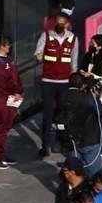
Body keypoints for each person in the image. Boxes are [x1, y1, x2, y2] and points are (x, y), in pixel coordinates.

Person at [35, 12, 79, 157]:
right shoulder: (46, 36)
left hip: (64, 82)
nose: (60, 26)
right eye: (57, 23)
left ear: (67, 24)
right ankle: (45, 145)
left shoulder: (73, 38)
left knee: (63, 114)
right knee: (47, 114)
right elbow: (38, 54)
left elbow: (74, 61)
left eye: (62, 23)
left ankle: (63, 142)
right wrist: (40, 57)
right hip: (48, 81)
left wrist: (74, 78)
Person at [0, 35, 23, 171]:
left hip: (7, 98)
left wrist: (18, 91)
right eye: (7, 45)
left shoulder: (6, 61)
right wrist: (15, 91)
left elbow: (14, 77)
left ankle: (1, 154)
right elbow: (4, 81)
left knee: (4, 128)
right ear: (1, 46)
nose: (9, 48)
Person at [55, 73, 102, 174]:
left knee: (75, 171)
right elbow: (101, 112)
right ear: (83, 85)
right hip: (88, 139)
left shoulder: (62, 96)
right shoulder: (87, 98)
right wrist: (96, 97)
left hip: (70, 139)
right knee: (94, 172)